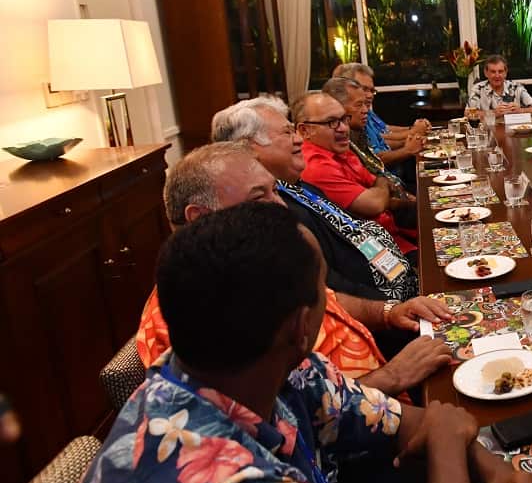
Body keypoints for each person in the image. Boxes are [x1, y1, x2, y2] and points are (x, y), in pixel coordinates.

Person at [52, 203, 532, 483]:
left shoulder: (249, 367)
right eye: (324, 293)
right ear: (301, 326)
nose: (332, 303)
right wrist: (447, 438)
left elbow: (401, 420)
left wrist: (494, 467)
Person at [139, 141, 450, 398]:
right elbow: (285, 416)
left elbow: (330, 300)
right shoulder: (191, 312)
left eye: (276, 191)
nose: (281, 207)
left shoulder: (253, 260)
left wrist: (389, 312)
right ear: (199, 217)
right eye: (259, 197)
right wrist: (391, 377)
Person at [211, 97, 426, 306]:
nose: (298, 139)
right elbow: (326, 287)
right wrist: (390, 309)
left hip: (402, 277)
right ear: (249, 148)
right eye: (287, 132)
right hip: (388, 306)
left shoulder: (296, 184)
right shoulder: (269, 207)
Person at [295, 92, 418, 255]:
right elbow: (375, 203)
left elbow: (376, 184)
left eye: (344, 119)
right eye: (332, 122)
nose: (344, 128)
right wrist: (382, 183)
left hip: (395, 230)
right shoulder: (316, 166)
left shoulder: (338, 148)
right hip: (379, 252)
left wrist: (382, 188)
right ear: (304, 130)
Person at [323, 75, 420, 201]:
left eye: (371, 90)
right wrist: (408, 147)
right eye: (359, 105)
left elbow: (383, 140)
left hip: (396, 188)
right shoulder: (337, 142)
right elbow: (373, 195)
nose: (366, 110)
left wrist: (411, 134)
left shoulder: (357, 130)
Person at [333, 63, 430, 161]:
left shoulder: (365, 111)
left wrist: (412, 133)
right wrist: (410, 140)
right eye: (364, 89)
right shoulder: (344, 123)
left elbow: (382, 135)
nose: (370, 95)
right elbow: (374, 159)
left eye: (372, 90)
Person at [467, 54, 532, 116]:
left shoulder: (516, 87)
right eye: (493, 72)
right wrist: (494, 113)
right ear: (486, 73)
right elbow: (467, 113)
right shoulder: (478, 88)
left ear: (505, 73)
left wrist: (520, 110)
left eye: (500, 71)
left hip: (513, 128)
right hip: (488, 128)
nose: (497, 76)